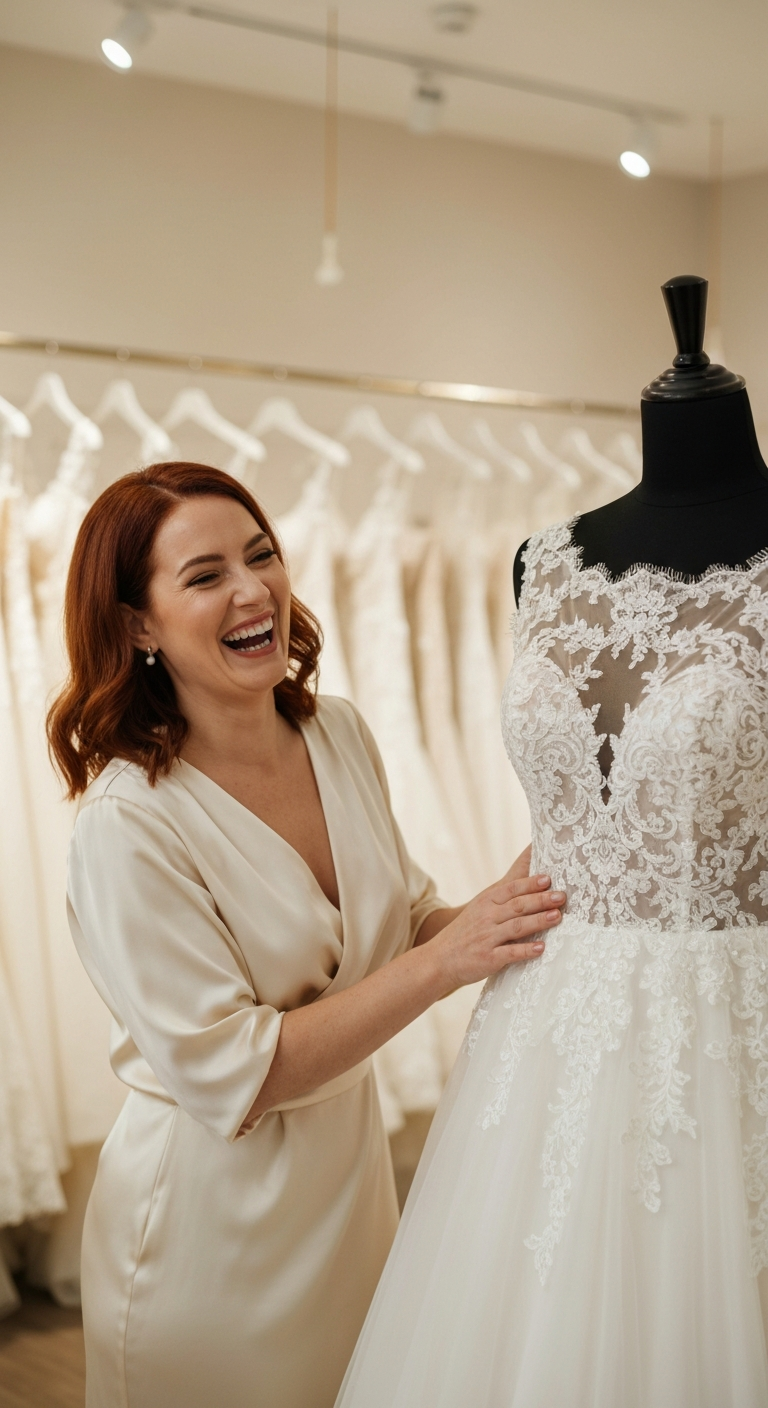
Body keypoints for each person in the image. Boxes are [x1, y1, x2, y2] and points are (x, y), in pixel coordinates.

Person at [47, 461, 565, 1408]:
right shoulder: (128, 825)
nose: (254, 591)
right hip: (209, 1236)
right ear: (136, 625)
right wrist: (449, 960)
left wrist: (522, 898)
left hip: (351, 1200)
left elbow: (407, 920)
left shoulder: (338, 732)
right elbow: (238, 1074)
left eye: (262, 555)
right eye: (204, 576)